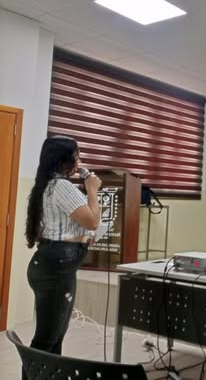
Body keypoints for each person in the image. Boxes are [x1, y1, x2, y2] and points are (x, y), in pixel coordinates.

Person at [23, 136, 101, 379]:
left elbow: (74, 224)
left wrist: (85, 236)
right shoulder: (61, 186)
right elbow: (92, 220)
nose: (79, 161)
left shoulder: (48, 185)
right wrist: (92, 189)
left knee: (55, 335)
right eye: (76, 156)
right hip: (56, 266)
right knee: (47, 339)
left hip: (53, 263)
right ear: (63, 159)